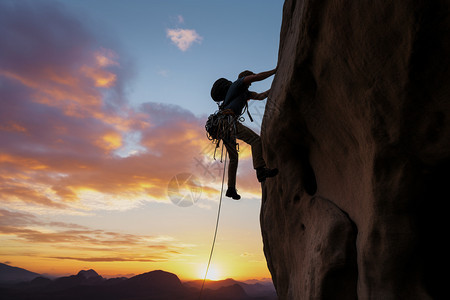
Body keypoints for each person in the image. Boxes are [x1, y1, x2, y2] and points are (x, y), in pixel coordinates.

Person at [221, 68, 278, 200]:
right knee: (256, 140)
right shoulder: (238, 83)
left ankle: (230, 188)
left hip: (224, 125)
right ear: (245, 77)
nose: (251, 82)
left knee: (234, 157)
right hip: (228, 122)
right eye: (250, 79)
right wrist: (275, 71)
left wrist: (276, 85)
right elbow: (257, 77)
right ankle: (260, 170)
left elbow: (260, 96)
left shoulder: (245, 93)